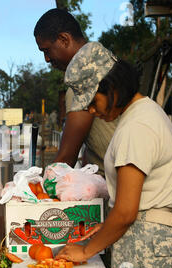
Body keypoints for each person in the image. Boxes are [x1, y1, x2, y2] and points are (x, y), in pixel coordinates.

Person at [56, 58, 172, 268]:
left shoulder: (136, 127)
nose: (90, 110)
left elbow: (126, 212)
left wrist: (86, 251)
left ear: (113, 89)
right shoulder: (145, 112)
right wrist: (108, 227)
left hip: (147, 249)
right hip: (149, 240)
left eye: (92, 100)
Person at [34, 9, 119, 176]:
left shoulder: (81, 83)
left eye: (46, 50)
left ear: (64, 39)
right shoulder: (107, 63)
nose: (47, 59)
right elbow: (90, 147)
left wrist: (38, 190)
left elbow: (66, 159)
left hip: (117, 186)